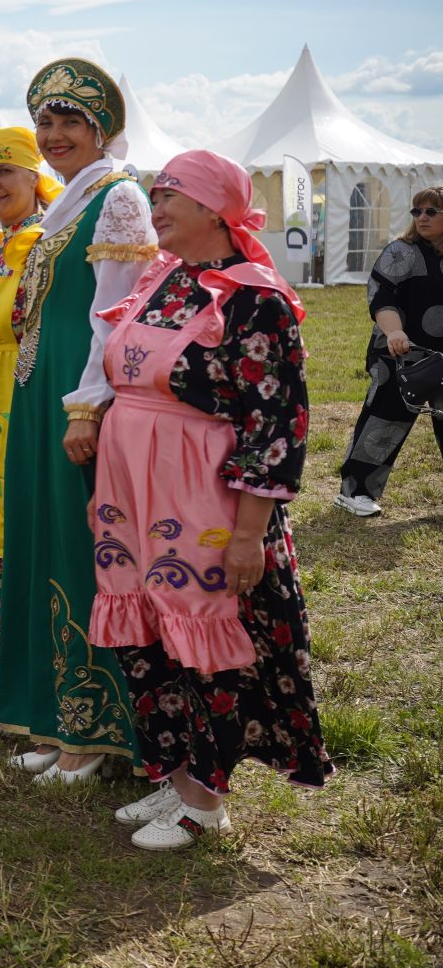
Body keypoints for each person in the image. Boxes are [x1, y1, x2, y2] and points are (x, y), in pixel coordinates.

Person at [87, 150, 330, 849]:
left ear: (215, 210)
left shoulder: (256, 299)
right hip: (134, 488)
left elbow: (276, 423)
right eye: (155, 195)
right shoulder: (165, 280)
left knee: (202, 631)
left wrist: (251, 532)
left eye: (171, 197)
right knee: (152, 628)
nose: (155, 208)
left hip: (202, 493)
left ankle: (207, 798)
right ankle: (179, 769)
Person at [0, 58, 159, 784]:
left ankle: (92, 727)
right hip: (39, 390)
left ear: (101, 132)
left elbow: (112, 314)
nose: (55, 134)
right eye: (47, 123)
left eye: (70, 123)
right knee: (38, 544)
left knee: (77, 547)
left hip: (76, 393)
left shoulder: (117, 199)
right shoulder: (66, 202)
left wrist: (87, 403)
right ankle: (48, 711)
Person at [0, 128, 59, 625]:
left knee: (28, 505)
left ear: (34, 176)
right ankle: (15, 644)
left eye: (5, 171)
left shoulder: (45, 240)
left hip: (28, 391)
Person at [335, 185, 443, 516]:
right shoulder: (401, 251)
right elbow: (382, 296)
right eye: (417, 211)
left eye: (431, 211)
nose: (422, 217)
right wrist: (394, 330)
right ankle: (356, 491)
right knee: (384, 420)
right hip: (400, 355)